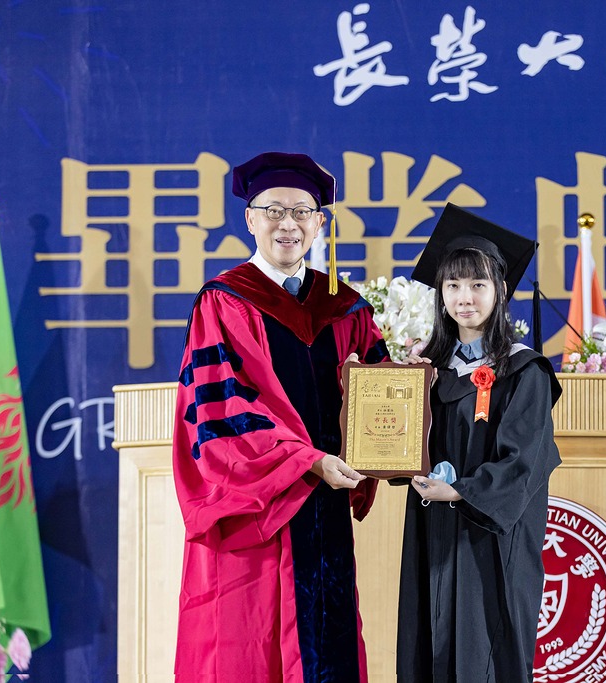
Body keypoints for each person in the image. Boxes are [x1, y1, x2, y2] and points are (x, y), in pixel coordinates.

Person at [171, 152, 389, 683]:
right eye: (273, 211)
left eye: (301, 212)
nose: (287, 223)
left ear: (319, 223)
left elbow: (383, 398)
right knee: (251, 649)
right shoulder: (224, 302)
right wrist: (307, 461)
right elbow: (221, 412)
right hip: (258, 513)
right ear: (250, 220)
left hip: (326, 514)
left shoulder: (347, 308)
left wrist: (400, 416)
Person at [396, 203, 562, 682]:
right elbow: (404, 448)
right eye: (452, 285)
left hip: (491, 535)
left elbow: (523, 462)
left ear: (501, 290)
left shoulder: (524, 371)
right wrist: (399, 396)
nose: (463, 298)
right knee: (429, 637)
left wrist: (460, 490)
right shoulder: (429, 371)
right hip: (433, 530)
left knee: (486, 645)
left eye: (477, 285)